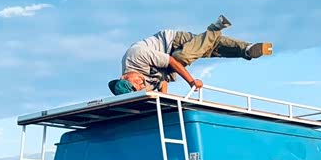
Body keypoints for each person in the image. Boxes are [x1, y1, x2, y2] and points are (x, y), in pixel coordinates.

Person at [108, 16, 272, 95]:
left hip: (171, 42)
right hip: (168, 65)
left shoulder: (135, 55)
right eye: (138, 88)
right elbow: (162, 81)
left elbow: (172, 61)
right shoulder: (143, 88)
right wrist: (164, 101)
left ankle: (215, 29)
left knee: (184, 56)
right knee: (210, 48)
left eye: (135, 82)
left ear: (124, 76)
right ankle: (246, 50)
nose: (140, 83)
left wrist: (191, 82)